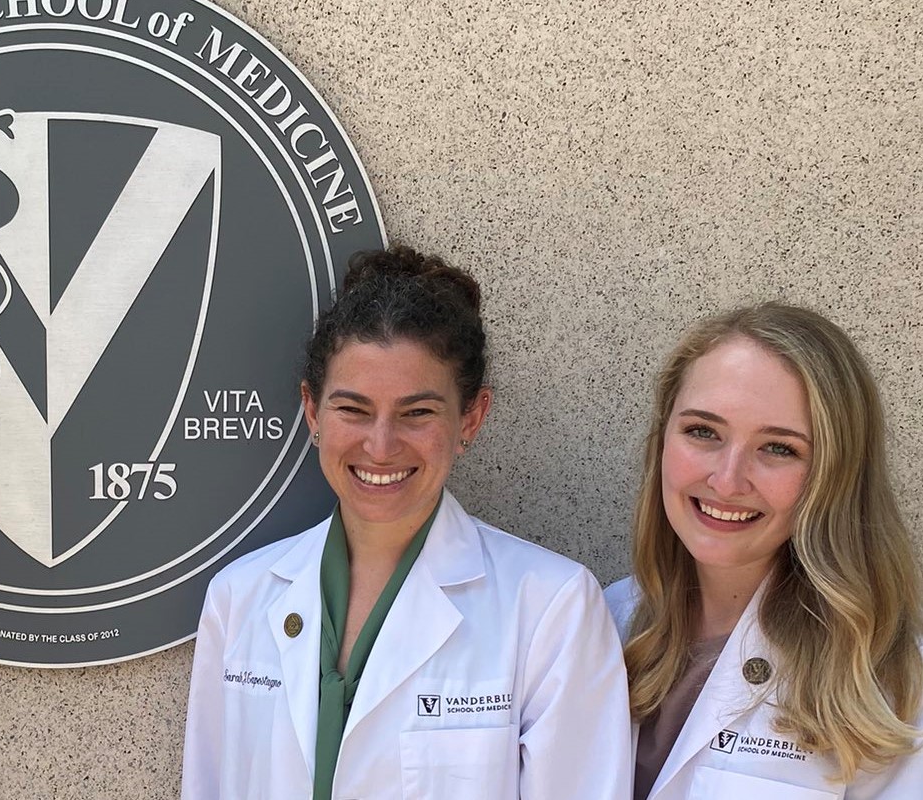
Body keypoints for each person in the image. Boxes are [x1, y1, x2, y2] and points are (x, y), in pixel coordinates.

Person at [180, 245, 632, 799]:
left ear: (472, 417)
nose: (380, 445)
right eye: (353, 409)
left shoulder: (550, 607)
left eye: (417, 413)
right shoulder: (239, 598)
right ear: (312, 411)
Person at [605, 303, 923, 799]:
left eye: (779, 448)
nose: (727, 481)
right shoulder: (601, 620)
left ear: (837, 475)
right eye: (703, 432)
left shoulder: (888, 676)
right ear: (662, 440)